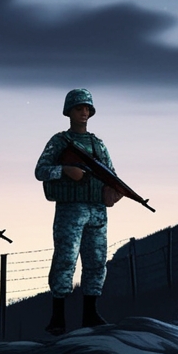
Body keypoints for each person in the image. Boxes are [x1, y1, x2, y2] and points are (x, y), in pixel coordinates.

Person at [35, 88, 122, 335]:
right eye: (78, 108)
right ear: (69, 111)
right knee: (65, 260)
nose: (83, 112)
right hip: (70, 210)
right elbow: (40, 170)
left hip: (96, 210)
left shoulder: (97, 144)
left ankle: (90, 313)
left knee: (96, 262)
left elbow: (111, 174)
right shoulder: (59, 142)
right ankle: (58, 317)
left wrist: (113, 190)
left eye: (87, 109)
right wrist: (64, 170)